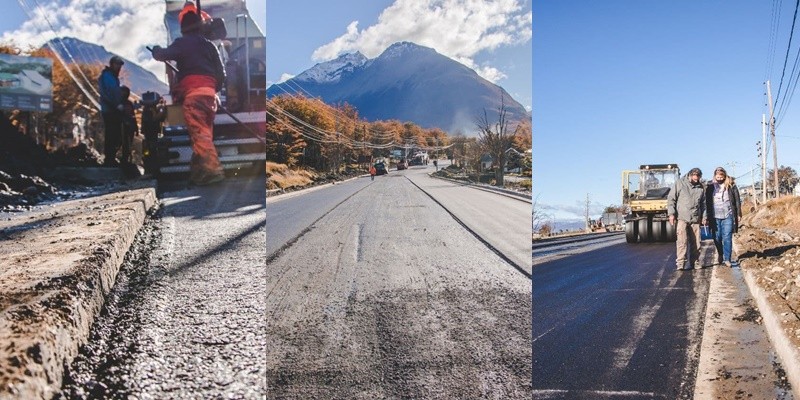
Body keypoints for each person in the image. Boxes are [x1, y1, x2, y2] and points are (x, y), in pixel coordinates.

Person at [151, 10, 226, 186]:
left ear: (183, 28)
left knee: (201, 136)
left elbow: (161, 55)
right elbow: (221, 74)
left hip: (194, 97)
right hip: (210, 97)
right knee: (202, 134)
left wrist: (155, 50)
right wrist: (214, 90)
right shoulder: (210, 45)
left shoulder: (183, 44)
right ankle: (199, 174)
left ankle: (214, 171)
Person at [667, 167, 707, 270]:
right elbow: (671, 199)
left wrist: (704, 216)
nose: (696, 178)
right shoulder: (680, 184)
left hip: (695, 219)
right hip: (682, 218)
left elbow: (703, 204)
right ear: (689, 175)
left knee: (697, 243)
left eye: (698, 177)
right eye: (694, 176)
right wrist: (671, 214)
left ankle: (695, 262)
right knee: (682, 242)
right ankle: (680, 263)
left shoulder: (701, 187)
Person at [705, 167, 742, 267]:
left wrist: (738, 214)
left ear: (724, 176)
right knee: (717, 237)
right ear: (714, 176)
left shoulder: (731, 185)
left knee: (727, 237)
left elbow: (737, 200)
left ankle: (727, 259)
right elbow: (707, 202)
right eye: (718, 177)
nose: (719, 178)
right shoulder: (710, 186)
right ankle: (720, 253)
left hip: (728, 215)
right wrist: (706, 216)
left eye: (721, 177)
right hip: (715, 216)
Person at [98, 55, 125, 166]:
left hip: (113, 109)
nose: (119, 67)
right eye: (117, 64)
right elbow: (109, 93)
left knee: (115, 134)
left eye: (120, 65)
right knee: (112, 134)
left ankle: (111, 158)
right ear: (112, 64)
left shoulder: (112, 77)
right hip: (110, 110)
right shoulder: (108, 76)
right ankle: (109, 159)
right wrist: (117, 105)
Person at [119, 85, 138, 166]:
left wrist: (136, 128)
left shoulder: (129, 103)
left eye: (126, 92)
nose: (124, 94)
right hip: (121, 126)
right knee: (121, 143)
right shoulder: (118, 103)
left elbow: (133, 116)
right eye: (123, 92)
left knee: (128, 144)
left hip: (130, 126)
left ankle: (126, 159)